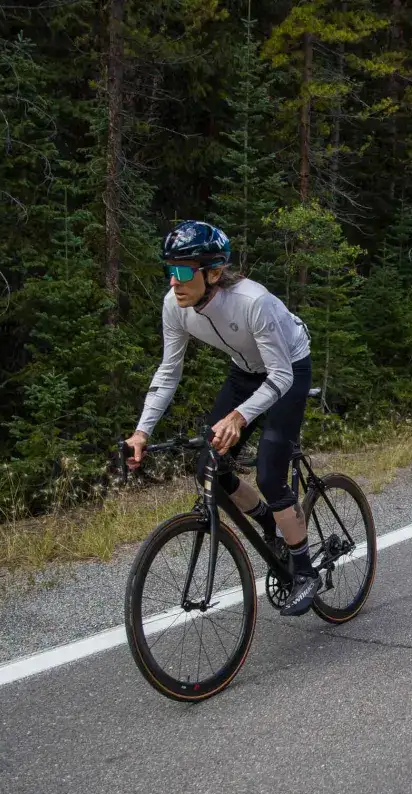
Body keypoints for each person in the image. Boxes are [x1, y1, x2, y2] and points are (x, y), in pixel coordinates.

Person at [123, 220, 320, 616]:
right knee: (208, 466)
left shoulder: (253, 301)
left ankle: (304, 572)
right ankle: (268, 522)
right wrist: (142, 430)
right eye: (169, 270)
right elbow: (169, 371)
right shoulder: (174, 306)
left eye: (182, 271)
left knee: (269, 473)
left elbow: (279, 375)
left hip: (289, 367)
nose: (174, 282)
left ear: (213, 272)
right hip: (245, 371)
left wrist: (239, 417)